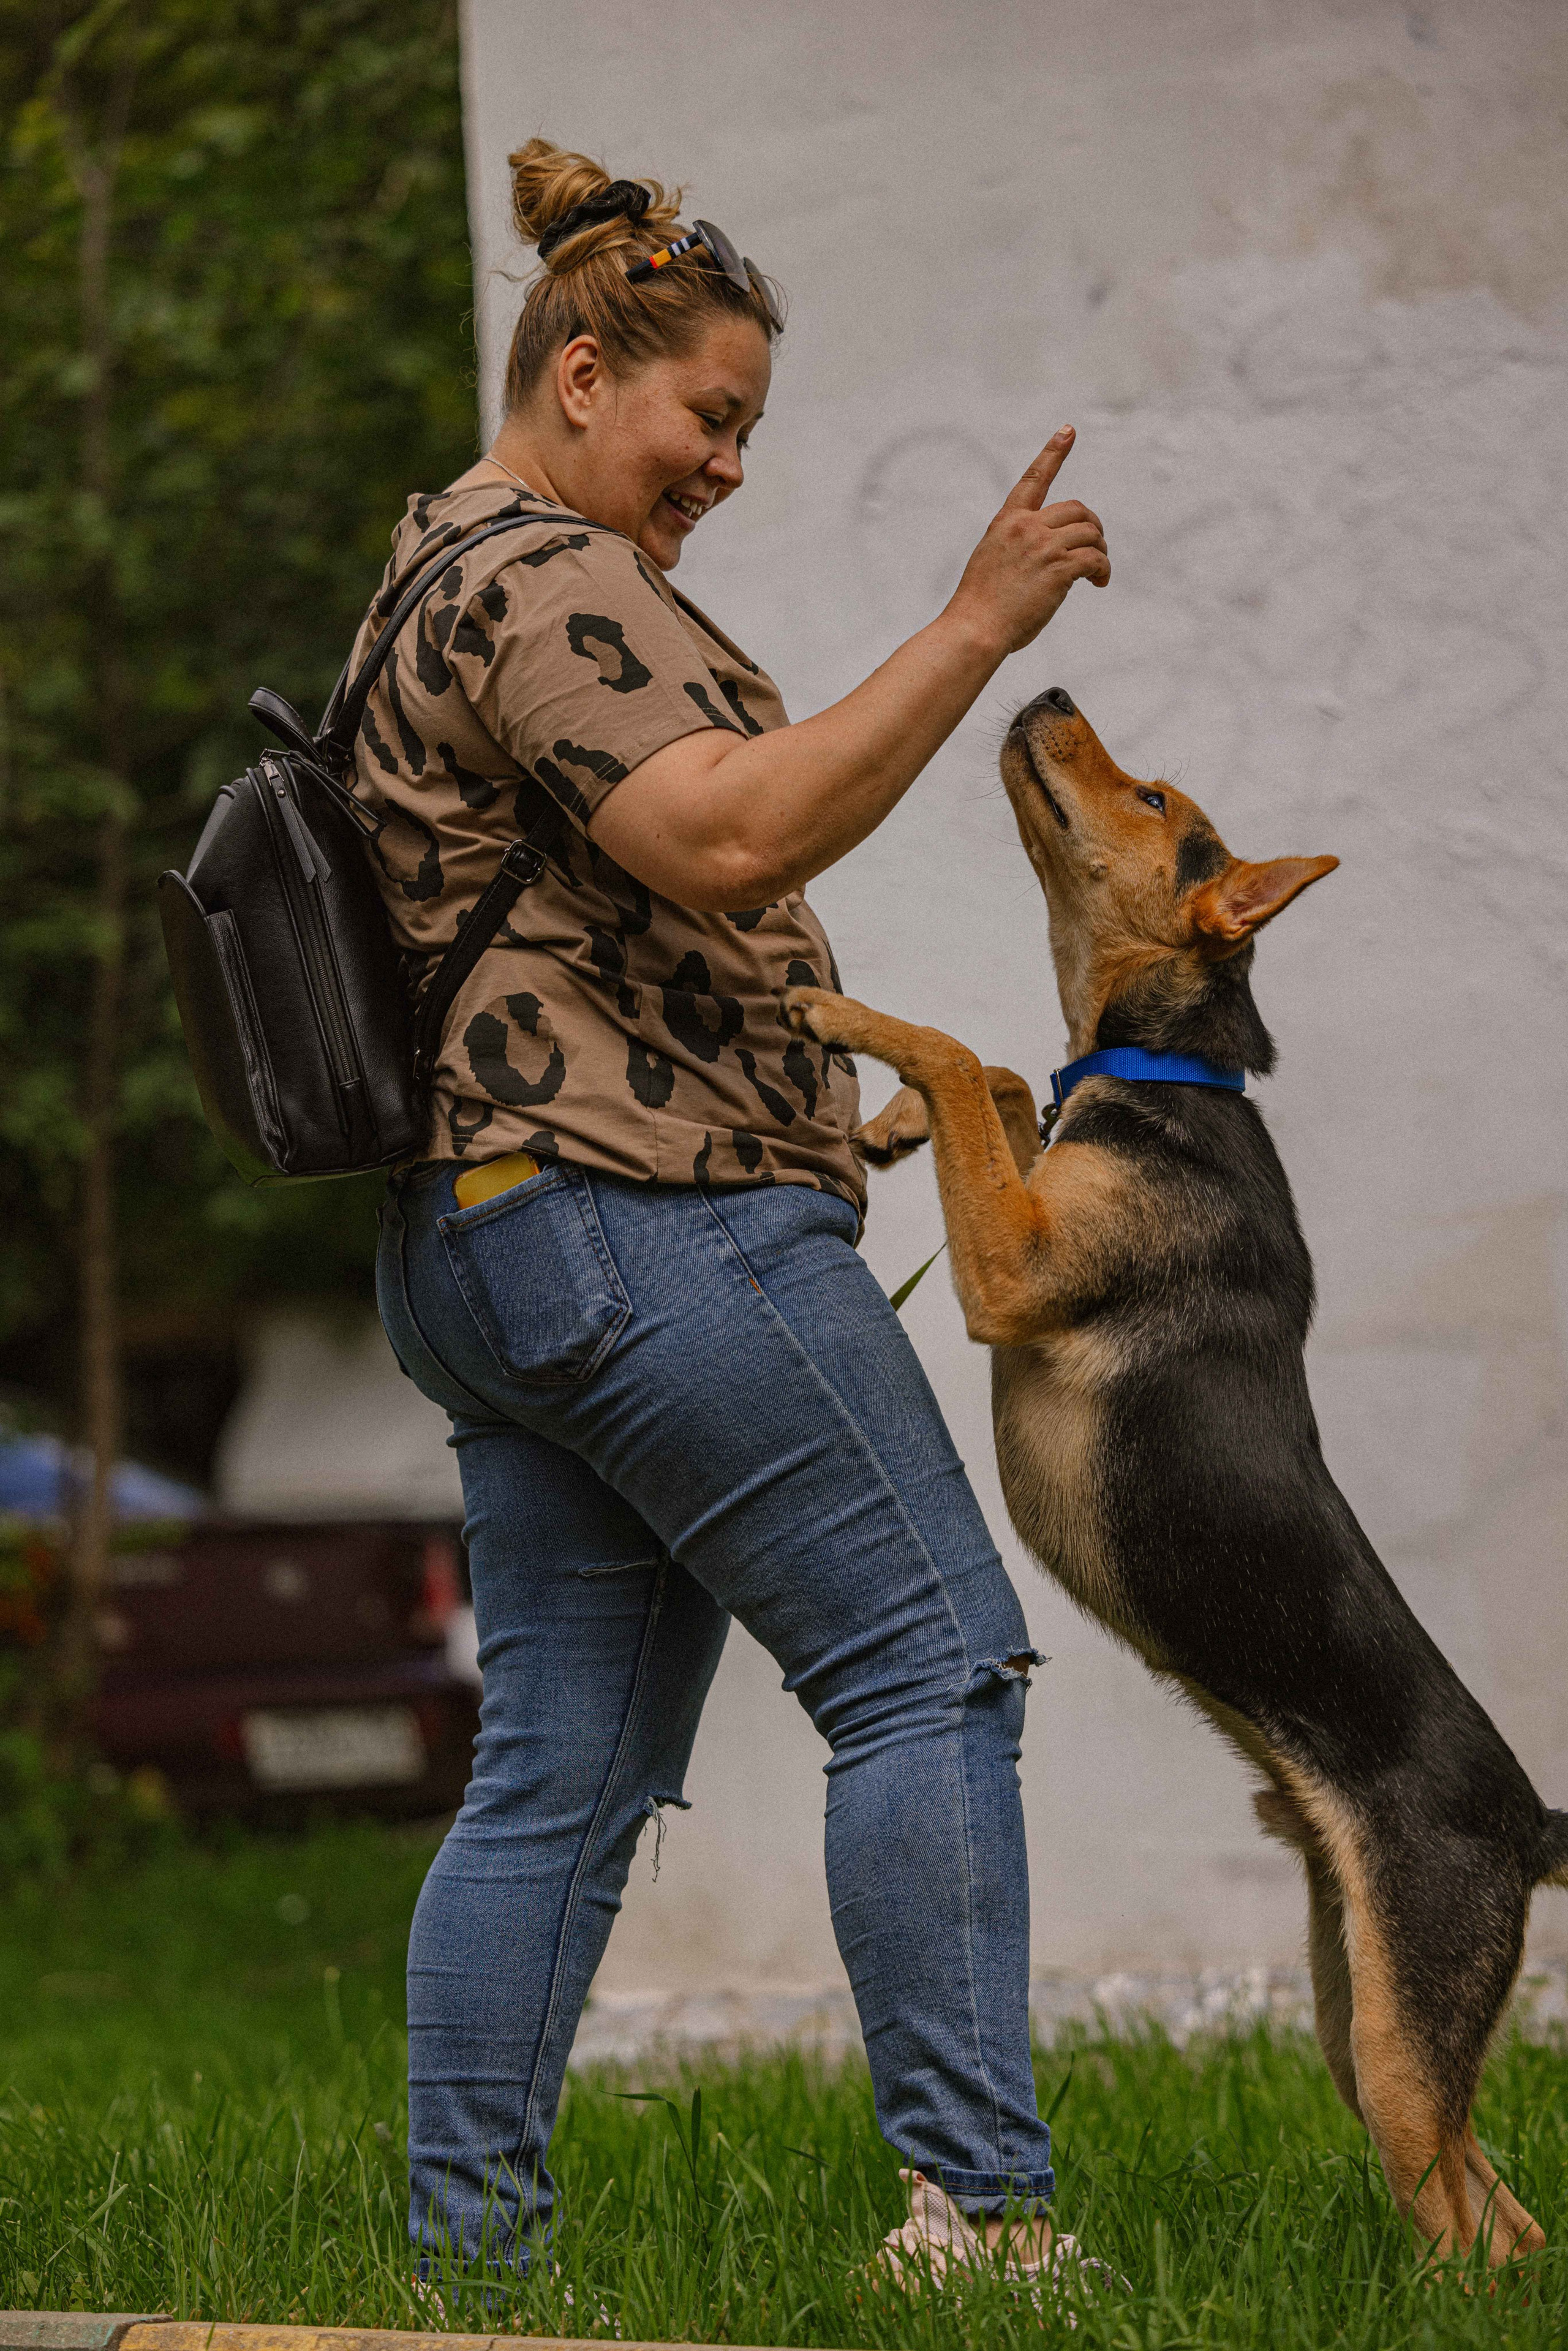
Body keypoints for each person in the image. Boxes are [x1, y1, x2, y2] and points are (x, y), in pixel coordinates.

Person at [358, 137, 1111, 2295]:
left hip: (499, 1243)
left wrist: (825, 1119)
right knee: (930, 1665)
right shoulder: (549, 575)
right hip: (643, 1236)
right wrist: (980, 619)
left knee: (553, 1789)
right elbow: (717, 829)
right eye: (712, 417)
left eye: (748, 431)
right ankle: (979, 2217)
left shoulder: (432, 565)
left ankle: (466, 2273)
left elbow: (582, 936)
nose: (728, 467)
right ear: (585, 372)